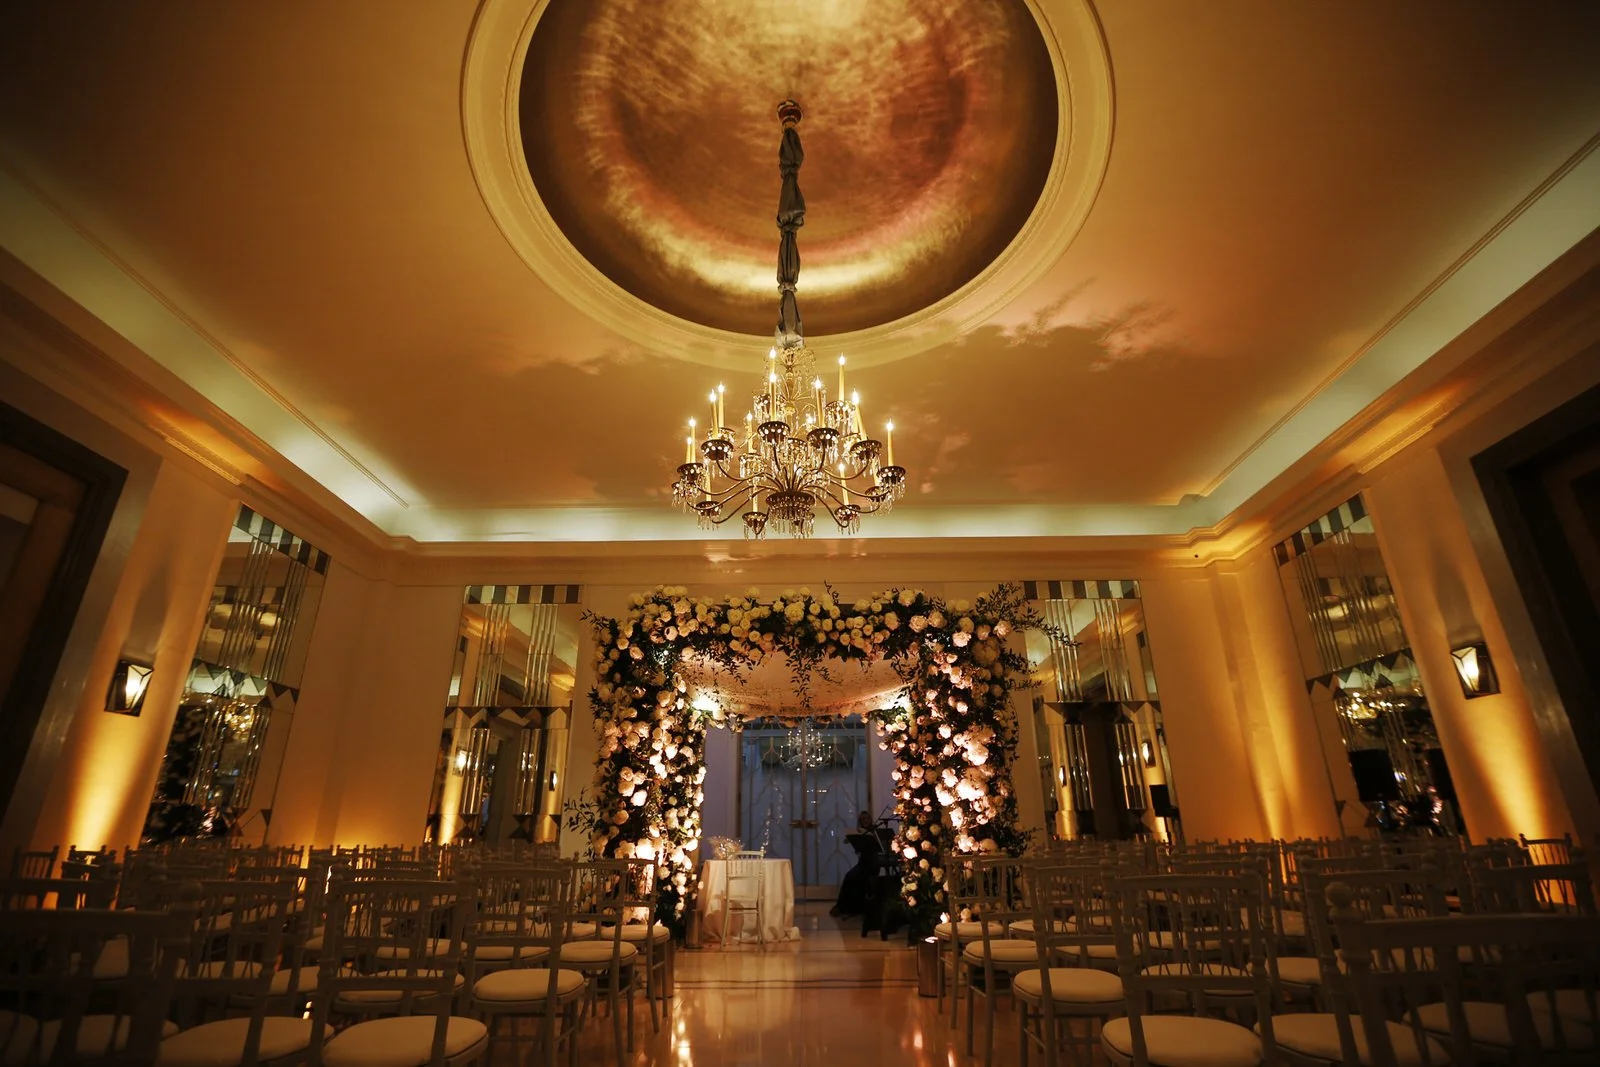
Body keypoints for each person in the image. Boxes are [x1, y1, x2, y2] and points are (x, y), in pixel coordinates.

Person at [831, 811, 881, 918]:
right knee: (849, 877)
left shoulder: (875, 831)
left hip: (873, 863)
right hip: (863, 863)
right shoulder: (860, 832)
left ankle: (856, 907)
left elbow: (880, 847)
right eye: (863, 819)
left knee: (856, 877)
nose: (865, 820)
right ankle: (845, 907)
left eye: (867, 818)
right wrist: (852, 840)